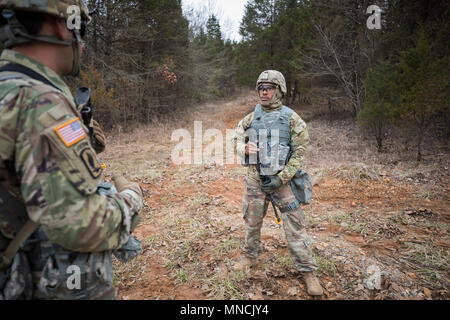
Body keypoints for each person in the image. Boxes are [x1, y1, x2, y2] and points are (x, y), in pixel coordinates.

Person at [0, 0, 143, 300]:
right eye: (84, 29)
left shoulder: (11, 87)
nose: (85, 45)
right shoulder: (39, 101)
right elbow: (77, 225)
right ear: (62, 26)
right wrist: (130, 200)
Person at [232, 70, 323, 296]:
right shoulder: (252, 117)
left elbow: (299, 155)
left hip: (283, 182)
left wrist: (281, 178)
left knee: (295, 225)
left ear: (279, 90)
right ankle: (249, 256)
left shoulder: (292, 119)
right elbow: (235, 135)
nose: (264, 92)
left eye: (269, 88)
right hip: (255, 180)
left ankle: (308, 271)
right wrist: (241, 147)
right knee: (251, 221)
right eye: (261, 88)